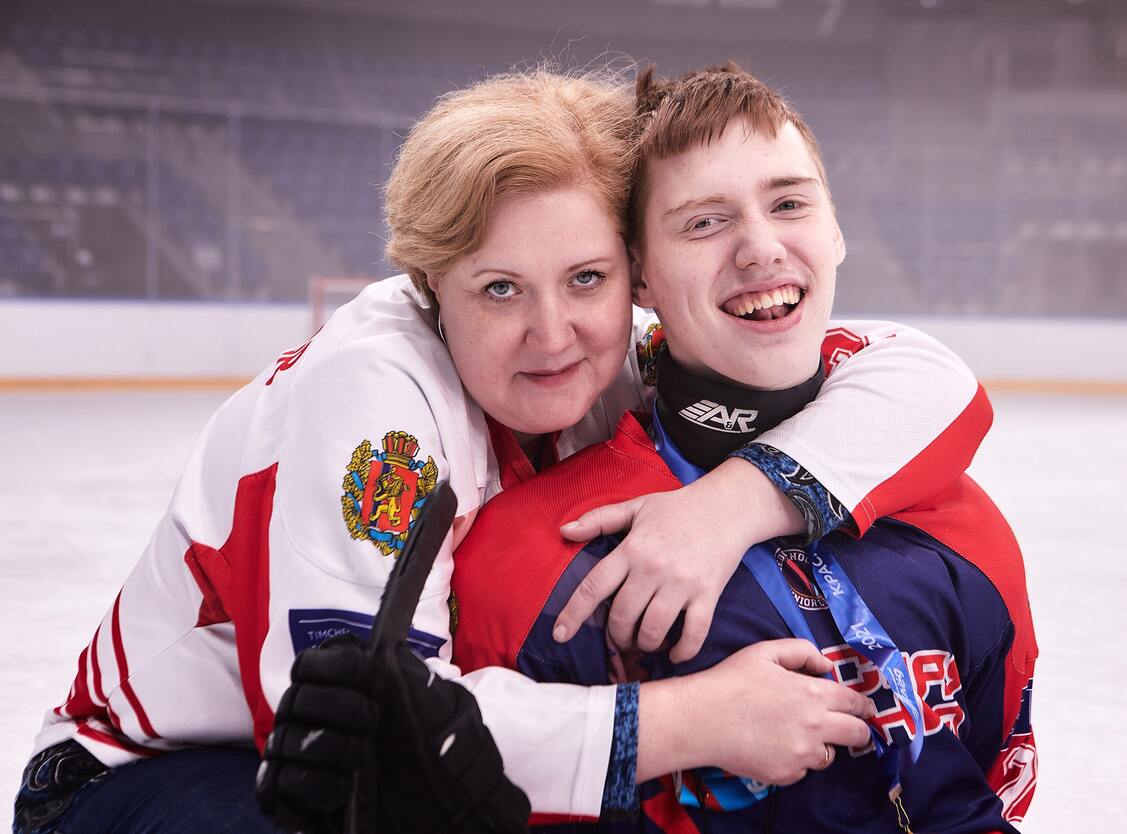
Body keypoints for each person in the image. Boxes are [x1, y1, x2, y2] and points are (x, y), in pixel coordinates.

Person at [15, 69, 989, 833]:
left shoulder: (622, 353)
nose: (553, 334)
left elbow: (922, 373)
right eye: (499, 290)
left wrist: (730, 504)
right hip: (161, 778)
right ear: (429, 285)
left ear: (635, 274)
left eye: (585, 278)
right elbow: (361, 736)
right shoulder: (377, 405)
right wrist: (698, 720)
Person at [449, 63, 1039, 832]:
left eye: (789, 203)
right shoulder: (535, 562)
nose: (761, 249)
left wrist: (735, 503)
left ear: (835, 231)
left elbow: (986, 788)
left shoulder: (959, 525)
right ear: (638, 277)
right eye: (704, 222)